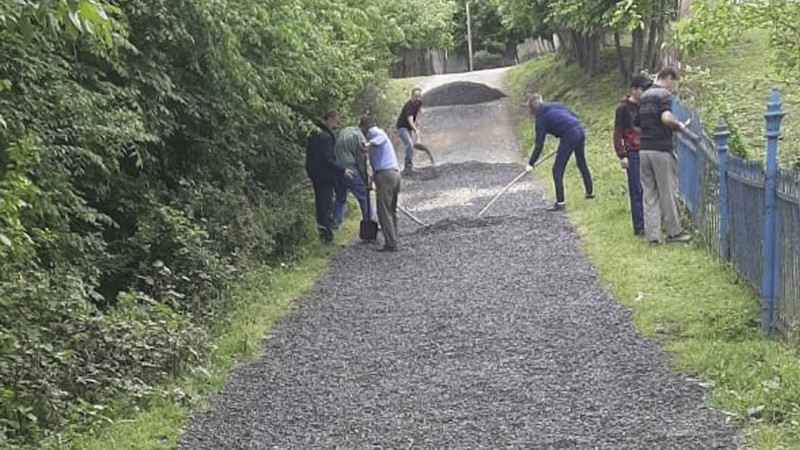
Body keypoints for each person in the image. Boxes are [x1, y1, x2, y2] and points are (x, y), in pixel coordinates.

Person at [638, 67, 691, 244]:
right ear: (668, 78)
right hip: (661, 149)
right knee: (667, 191)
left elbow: (637, 123)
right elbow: (666, 118)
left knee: (649, 193)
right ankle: (674, 232)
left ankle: (652, 235)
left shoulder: (644, 96)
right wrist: (679, 126)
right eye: (673, 84)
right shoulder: (663, 96)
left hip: (644, 150)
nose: (672, 88)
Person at [527, 94, 594, 211]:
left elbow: (539, 144)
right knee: (581, 163)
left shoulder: (540, 119)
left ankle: (560, 202)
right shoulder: (555, 105)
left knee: (557, 169)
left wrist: (531, 163)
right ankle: (590, 193)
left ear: (533, 109)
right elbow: (573, 115)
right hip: (579, 129)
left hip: (570, 135)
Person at [304, 110, 355, 244]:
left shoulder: (314, 133)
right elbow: (327, 159)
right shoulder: (326, 137)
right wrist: (341, 170)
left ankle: (323, 234)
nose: (337, 123)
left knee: (320, 205)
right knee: (326, 206)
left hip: (315, 175)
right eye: (336, 120)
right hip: (324, 176)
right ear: (330, 119)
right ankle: (327, 238)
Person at [613, 75, 651, 237]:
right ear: (634, 90)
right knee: (636, 189)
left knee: (649, 188)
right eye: (642, 89)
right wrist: (622, 155)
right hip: (632, 151)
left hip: (647, 148)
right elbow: (617, 133)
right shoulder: (623, 109)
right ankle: (639, 226)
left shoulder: (646, 105)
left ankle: (651, 222)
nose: (644, 93)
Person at [360, 115, 401, 252]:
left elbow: (381, 138)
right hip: (393, 174)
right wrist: (371, 181)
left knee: (383, 211)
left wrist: (368, 144)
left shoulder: (375, 133)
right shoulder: (376, 136)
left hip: (386, 176)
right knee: (391, 210)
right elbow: (375, 164)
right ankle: (394, 239)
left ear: (365, 127)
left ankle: (391, 244)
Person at [333, 125, 370, 230]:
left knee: (340, 198)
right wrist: (365, 178)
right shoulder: (358, 137)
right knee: (363, 197)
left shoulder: (343, 131)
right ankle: (368, 221)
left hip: (338, 170)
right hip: (350, 169)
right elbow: (360, 160)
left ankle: (336, 223)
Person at [396, 87, 423, 176]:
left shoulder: (419, 103)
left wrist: (418, 129)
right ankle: (408, 168)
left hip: (408, 128)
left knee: (410, 146)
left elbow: (418, 116)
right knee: (410, 145)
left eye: (419, 96)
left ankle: (409, 166)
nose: (417, 98)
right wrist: (416, 130)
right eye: (415, 96)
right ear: (412, 96)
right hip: (402, 127)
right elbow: (410, 120)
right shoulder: (408, 106)